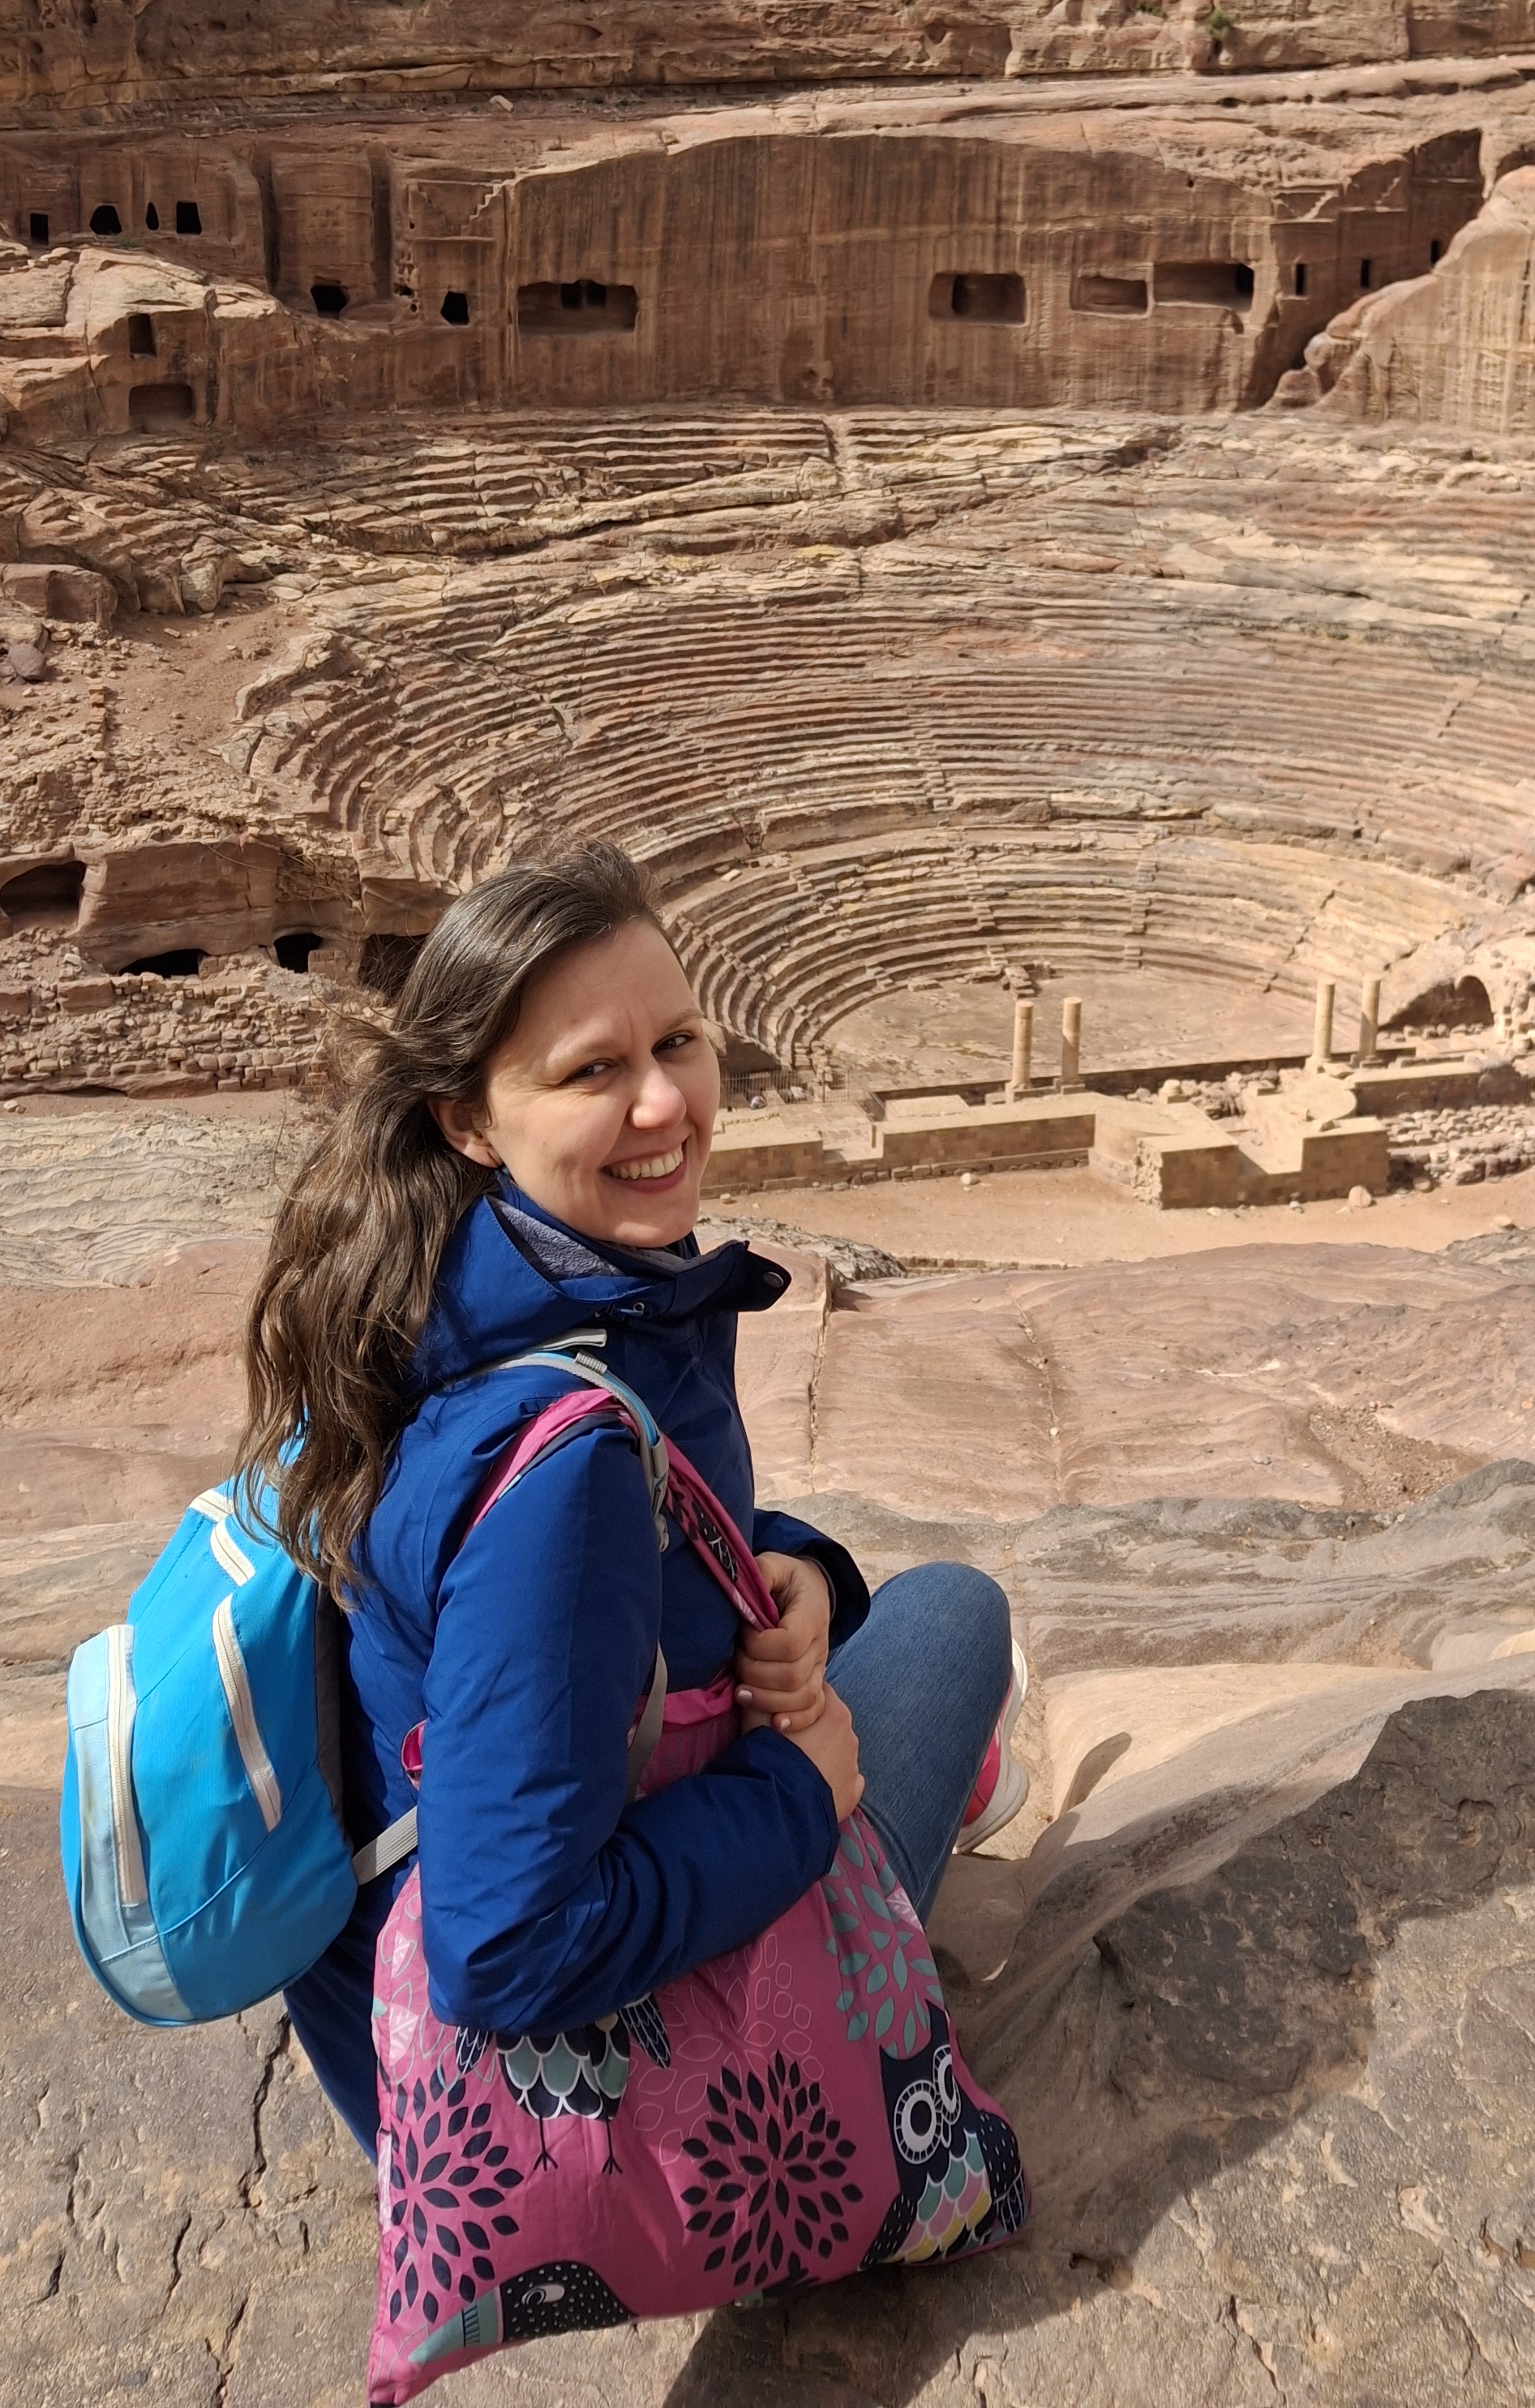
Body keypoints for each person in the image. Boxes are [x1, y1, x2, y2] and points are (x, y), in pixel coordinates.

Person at [242, 841, 1024, 2158]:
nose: (664, 1102)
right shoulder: (566, 1467)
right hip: (559, 2112)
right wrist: (802, 1792)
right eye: (592, 1071)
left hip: (388, 1969)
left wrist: (788, 1570)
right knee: (953, 1618)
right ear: (467, 1120)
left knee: (889, 1613)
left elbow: (556, 1579)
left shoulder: (440, 1290)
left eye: (678, 1042)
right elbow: (504, 1948)